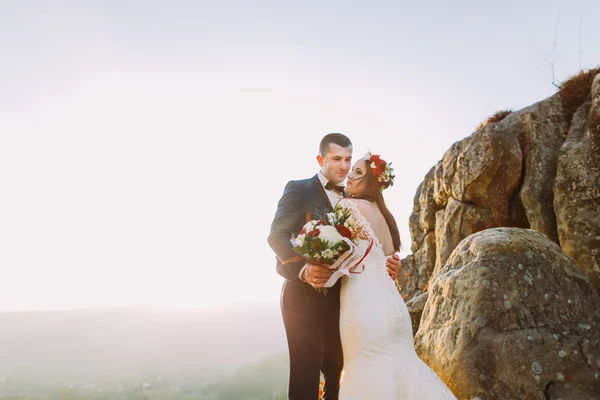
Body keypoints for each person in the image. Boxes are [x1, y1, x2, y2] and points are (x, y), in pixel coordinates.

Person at [268, 133, 402, 399]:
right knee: (305, 372)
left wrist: (386, 265)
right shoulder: (299, 188)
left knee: (338, 373)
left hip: (345, 300)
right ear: (321, 159)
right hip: (302, 295)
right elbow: (276, 235)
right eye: (336, 159)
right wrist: (303, 270)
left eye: (348, 160)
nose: (343, 166)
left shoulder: (353, 198)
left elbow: (369, 247)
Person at [337, 152, 457, 399]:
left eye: (358, 172)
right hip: (393, 305)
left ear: (372, 182)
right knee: (403, 369)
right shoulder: (386, 218)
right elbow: (389, 262)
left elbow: (338, 256)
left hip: (363, 305)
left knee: (366, 370)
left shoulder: (347, 207)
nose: (349, 175)